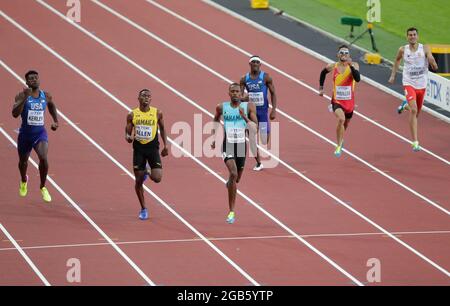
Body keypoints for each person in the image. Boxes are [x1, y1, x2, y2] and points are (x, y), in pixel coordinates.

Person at [211, 83, 258, 224]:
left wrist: (244, 117)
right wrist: (214, 137)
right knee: (233, 173)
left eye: (237, 91)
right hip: (228, 145)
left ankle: (230, 183)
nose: (235, 94)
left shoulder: (248, 107)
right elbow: (215, 119)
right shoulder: (221, 107)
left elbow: (254, 127)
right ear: (229, 93)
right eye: (233, 91)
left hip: (241, 147)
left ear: (241, 93)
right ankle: (231, 211)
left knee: (236, 180)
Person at [389, 27, 438, 152]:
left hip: (421, 84)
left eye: (414, 34)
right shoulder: (402, 49)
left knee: (416, 113)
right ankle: (415, 141)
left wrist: (432, 61)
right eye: (410, 35)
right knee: (414, 111)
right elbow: (397, 61)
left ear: (418, 36)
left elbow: (430, 56)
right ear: (407, 37)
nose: (412, 36)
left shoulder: (424, 47)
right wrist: (393, 75)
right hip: (408, 83)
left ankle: (404, 106)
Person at [12, 70, 59, 202]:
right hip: (25, 135)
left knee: (43, 157)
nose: (34, 80)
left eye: (36, 78)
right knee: (23, 162)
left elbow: (52, 106)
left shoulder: (46, 95)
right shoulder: (21, 95)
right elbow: (15, 114)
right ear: (26, 82)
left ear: (39, 80)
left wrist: (56, 121)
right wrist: (24, 98)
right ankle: (23, 180)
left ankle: (43, 187)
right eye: (31, 79)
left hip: (40, 134)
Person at [125, 89, 168, 220]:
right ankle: (143, 209)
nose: (146, 98)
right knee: (138, 181)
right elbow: (127, 132)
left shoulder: (157, 113)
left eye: (148, 96)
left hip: (153, 149)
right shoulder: (132, 115)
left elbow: (162, 129)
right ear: (138, 98)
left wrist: (166, 145)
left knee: (157, 178)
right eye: (143, 96)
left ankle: (148, 171)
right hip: (138, 150)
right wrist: (128, 137)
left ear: (151, 99)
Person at [319, 45, 361, 157]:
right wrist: (321, 88)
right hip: (337, 101)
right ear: (338, 55)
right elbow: (323, 73)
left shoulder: (354, 65)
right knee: (341, 119)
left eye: (346, 53)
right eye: (341, 53)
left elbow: (357, 79)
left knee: (345, 124)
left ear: (349, 55)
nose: (344, 55)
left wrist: (351, 66)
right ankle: (338, 146)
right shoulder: (333, 66)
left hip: (349, 103)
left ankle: (341, 140)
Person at [240, 55, 277, 171]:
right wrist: (244, 98)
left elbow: (273, 93)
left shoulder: (266, 77)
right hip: (250, 111)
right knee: (251, 136)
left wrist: (274, 109)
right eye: (253, 62)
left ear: (260, 65)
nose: (255, 64)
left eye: (257, 62)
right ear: (250, 64)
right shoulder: (244, 79)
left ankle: (264, 132)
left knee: (264, 139)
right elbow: (240, 96)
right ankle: (259, 162)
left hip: (262, 111)